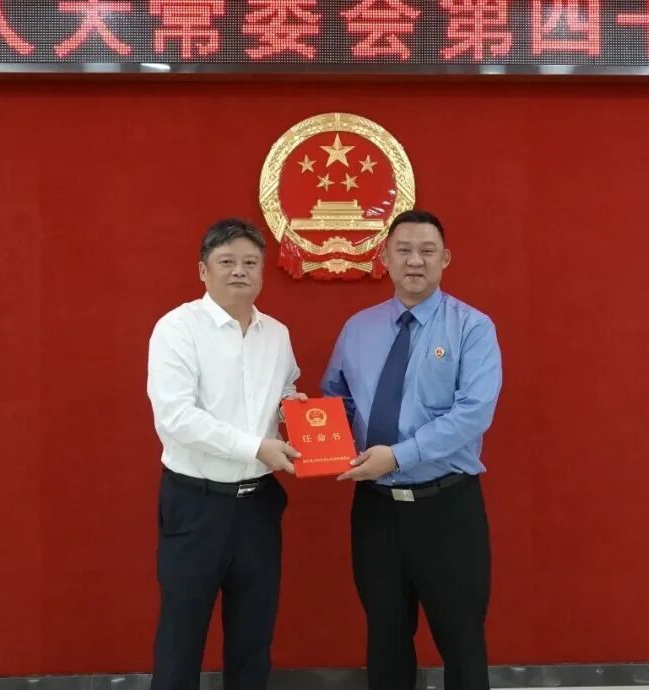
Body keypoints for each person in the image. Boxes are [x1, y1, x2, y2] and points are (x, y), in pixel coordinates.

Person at [321, 210, 502, 690]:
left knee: (462, 643)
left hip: (447, 508)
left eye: (426, 251)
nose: (415, 261)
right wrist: (310, 424)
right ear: (385, 258)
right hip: (376, 509)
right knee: (385, 639)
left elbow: (473, 413)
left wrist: (399, 455)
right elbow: (337, 400)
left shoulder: (472, 328)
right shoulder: (358, 328)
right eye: (403, 250)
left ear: (445, 259)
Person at [146, 217, 305, 690]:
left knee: (253, 639)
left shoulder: (276, 334)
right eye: (227, 261)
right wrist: (257, 446)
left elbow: (285, 389)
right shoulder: (177, 329)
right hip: (196, 505)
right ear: (203, 270)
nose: (240, 271)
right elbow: (176, 418)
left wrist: (295, 411)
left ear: (262, 271)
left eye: (251, 262)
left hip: (258, 506)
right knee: (181, 637)